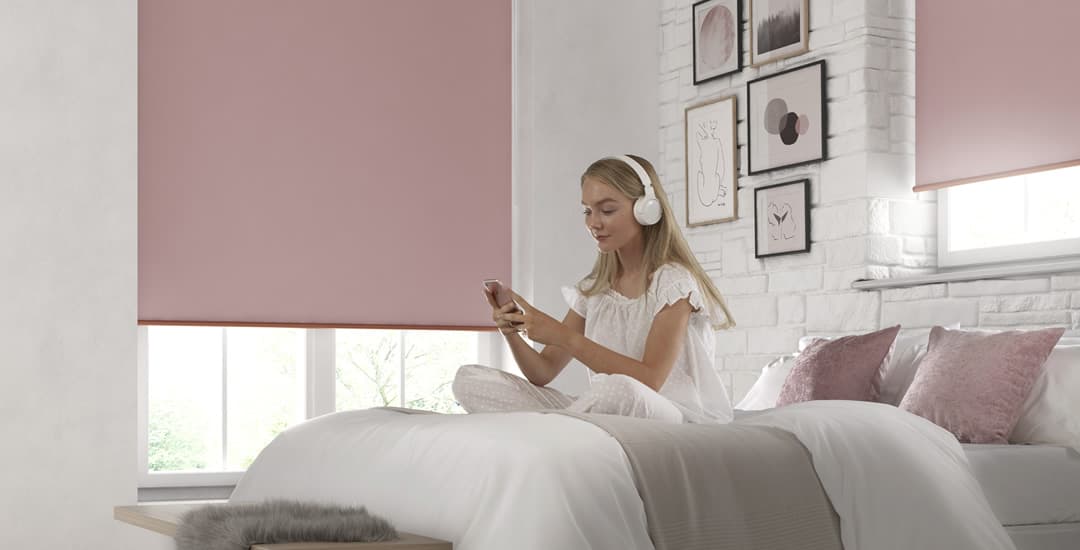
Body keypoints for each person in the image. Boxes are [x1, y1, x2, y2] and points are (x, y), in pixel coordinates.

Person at [452, 154, 736, 423]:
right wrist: (510, 330)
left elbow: (650, 380)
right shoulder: (595, 289)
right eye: (588, 211)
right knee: (469, 380)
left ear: (646, 210)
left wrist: (564, 336)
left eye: (607, 210)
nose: (593, 223)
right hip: (603, 410)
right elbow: (543, 371)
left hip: (669, 412)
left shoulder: (673, 284)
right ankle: (566, 426)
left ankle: (555, 426)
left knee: (617, 389)